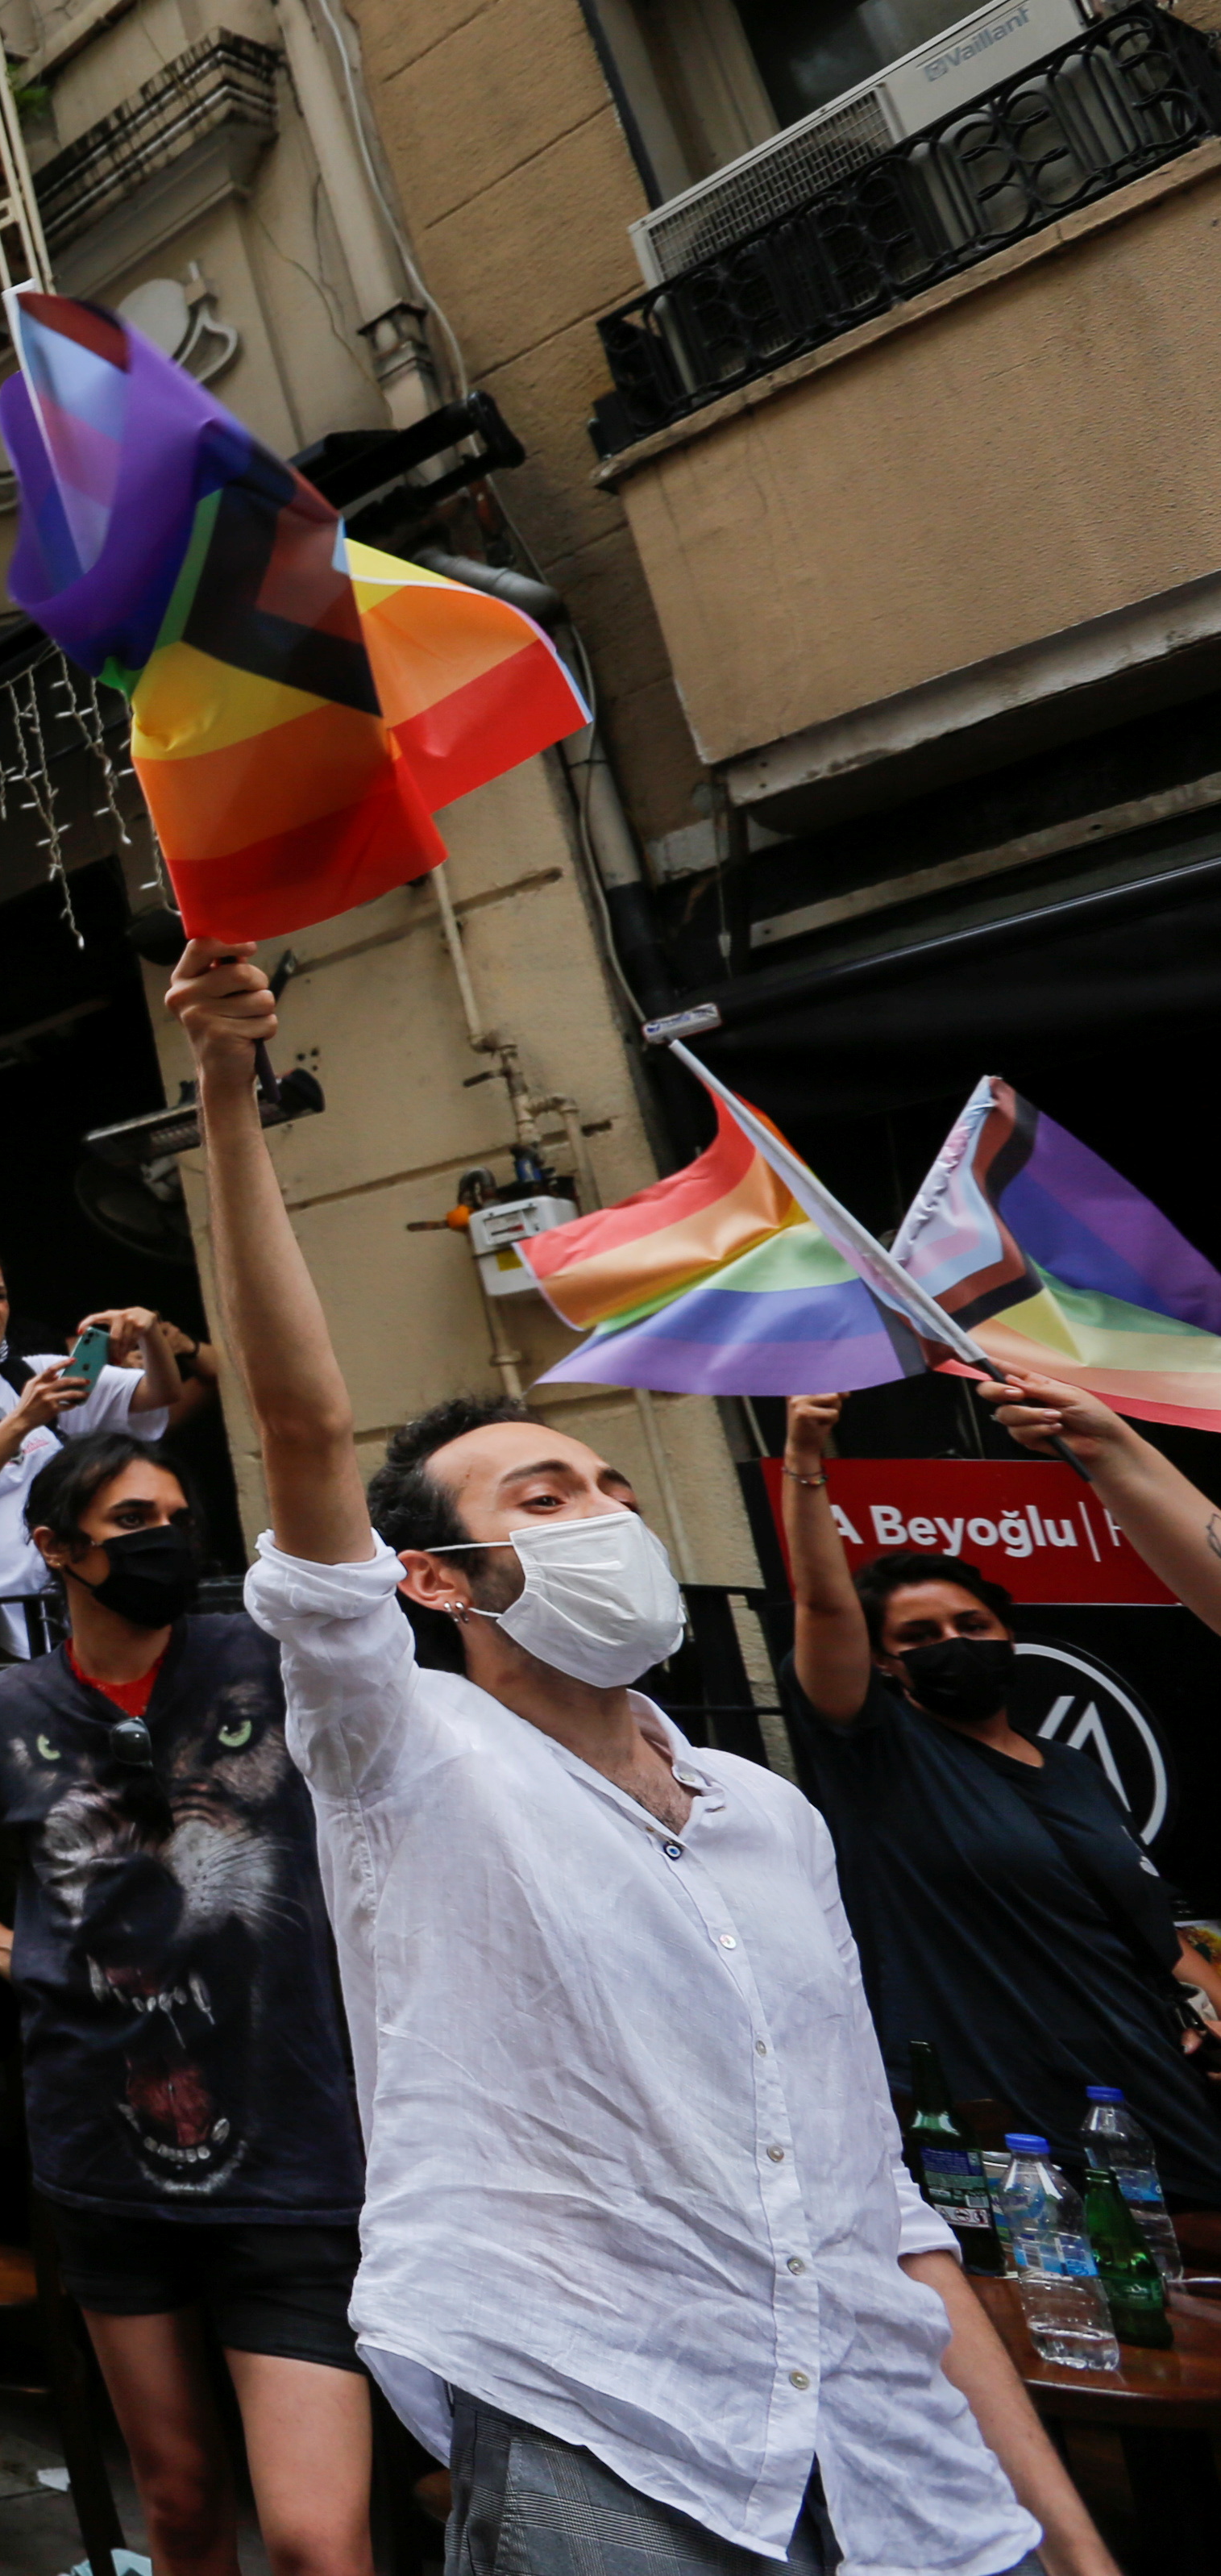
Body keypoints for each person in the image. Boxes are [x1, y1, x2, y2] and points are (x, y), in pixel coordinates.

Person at [176, 938, 1098, 2576]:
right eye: (537, 1497)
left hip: (905, 2483)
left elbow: (877, 2216)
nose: (599, 1512)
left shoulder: (762, 1818)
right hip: (609, 2445)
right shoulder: (405, 1752)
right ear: (435, 1583)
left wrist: (1063, 2540)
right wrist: (231, 1095)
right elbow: (303, 1430)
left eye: (603, 1483)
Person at [0, 1434, 370, 2576]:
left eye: (180, 1515)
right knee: (182, 2499)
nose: (169, 1541)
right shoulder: (5, 1708)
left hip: (292, 2152)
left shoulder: (267, 1658)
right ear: (53, 1547)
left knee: (314, 2535)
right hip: (102, 2150)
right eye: (135, 1519)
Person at [783, 1385, 1221, 2204]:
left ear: (1008, 1634)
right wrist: (806, 1463)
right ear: (883, 1663)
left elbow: (1143, 1920)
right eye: (918, 1637)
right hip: (1000, 2109)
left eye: (971, 1625)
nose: (951, 1644)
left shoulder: (1073, 1767)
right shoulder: (875, 1751)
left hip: (1147, 2090)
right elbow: (822, 1603)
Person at [0, 1234, 210, 1657]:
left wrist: (150, 1335)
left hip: (60, 1609)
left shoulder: (34, 1374)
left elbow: (160, 1393)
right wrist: (22, 1421)